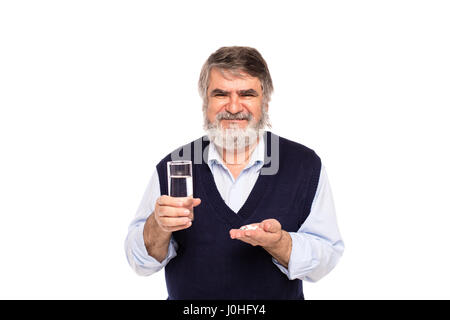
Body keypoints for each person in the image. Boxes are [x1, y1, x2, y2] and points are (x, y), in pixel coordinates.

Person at [124, 46, 344, 300]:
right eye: (220, 94)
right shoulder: (173, 165)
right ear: (206, 101)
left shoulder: (304, 165)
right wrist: (158, 225)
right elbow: (140, 263)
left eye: (247, 94)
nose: (233, 106)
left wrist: (280, 244)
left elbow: (327, 257)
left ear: (266, 100)